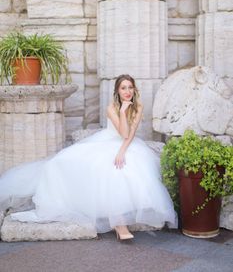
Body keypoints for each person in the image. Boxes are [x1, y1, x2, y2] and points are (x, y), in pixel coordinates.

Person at [0, 74, 176, 240]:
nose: (127, 91)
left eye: (130, 87)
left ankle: (120, 221)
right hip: (107, 141)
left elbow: (129, 135)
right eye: (123, 88)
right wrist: (122, 111)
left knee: (121, 168)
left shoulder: (138, 106)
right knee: (59, 163)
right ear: (117, 91)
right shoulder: (111, 108)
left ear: (134, 90)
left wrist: (122, 151)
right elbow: (122, 132)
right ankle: (115, 220)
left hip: (128, 144)